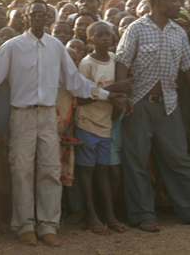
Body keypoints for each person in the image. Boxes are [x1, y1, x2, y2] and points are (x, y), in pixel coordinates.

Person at [0, 0, 119, 247]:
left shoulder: (55, 46)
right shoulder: (12, 46)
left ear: (47, 18)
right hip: (21, 114)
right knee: (21, 171)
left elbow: (75, 82)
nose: (37, 18)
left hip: (47, 115)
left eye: (42, 14)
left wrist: (108, 95)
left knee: (50, 171)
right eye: (33, 14)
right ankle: (25, 226)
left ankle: (48, 226)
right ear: (25, 17)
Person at [114, 0, 190, 232]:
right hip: (139, 104)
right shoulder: (136, 29)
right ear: (158, 2)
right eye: (174, 0)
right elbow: (122, 61)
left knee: (179, 160)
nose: (178, 5)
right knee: (136, 162)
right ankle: (142, 215)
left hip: (169, 105)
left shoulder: (178, 32)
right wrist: (121, 96)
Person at [73, 22, 131, 236]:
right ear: (90, 41)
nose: (106, 38)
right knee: (86, 171)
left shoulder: (115, 59)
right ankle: (91, 215)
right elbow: (81, 98)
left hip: (105, 124)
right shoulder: (87, 64)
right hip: (87, 123)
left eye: (108, 34)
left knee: (103, 170)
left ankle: (109, 215)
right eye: (100, 35)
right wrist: (112, 89)